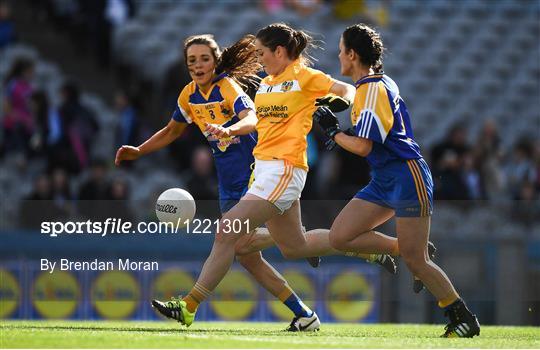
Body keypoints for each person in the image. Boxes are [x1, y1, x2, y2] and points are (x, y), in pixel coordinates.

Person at [116, 34, 394, 331]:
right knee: (271, 249)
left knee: (229, 234)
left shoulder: (229, 88)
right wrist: (140, 149)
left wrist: (229, 129)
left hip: (261, 174)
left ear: (215, 61)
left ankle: (189, 305)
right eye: (192, 60)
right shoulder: (191, 95)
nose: (198, 65)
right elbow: (172, 131)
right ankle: (308, 311)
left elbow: (250, 120)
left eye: (204, 59)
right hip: (238, 181)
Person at [312, 23, 480, 338]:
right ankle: (405, 248)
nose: (338, 56)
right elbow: (364, 142)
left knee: (418, 262)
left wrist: (333, 131)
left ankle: (462, 316)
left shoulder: (372, 88)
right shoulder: (369, 87)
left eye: (340, 50)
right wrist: (337, 132)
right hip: (384, 176)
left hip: (405, 174)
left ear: (352, 53)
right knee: (340, 237)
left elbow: (363, 146)